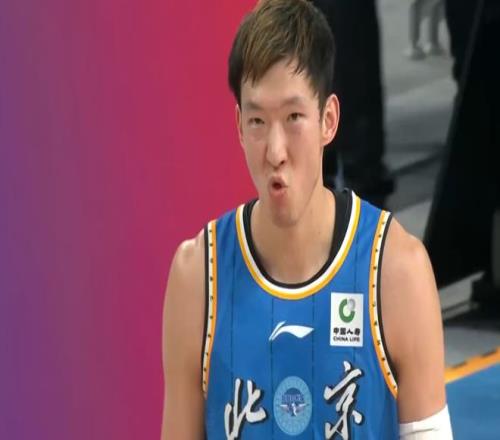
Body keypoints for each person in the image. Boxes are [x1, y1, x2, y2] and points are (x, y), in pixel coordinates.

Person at [161, 1, 452, 438]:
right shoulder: (197, 278)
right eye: (257, 121)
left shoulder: (398, 272)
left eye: (294, 117)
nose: (275, 151)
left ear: (328, 120)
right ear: (238, 126)